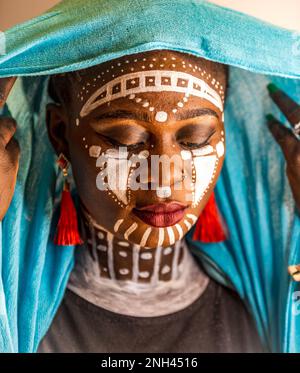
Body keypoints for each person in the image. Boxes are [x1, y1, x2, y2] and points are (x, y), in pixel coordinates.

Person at [0, 0, 299, 353]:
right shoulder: (15, 311)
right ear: (60, 133)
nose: (163, 180)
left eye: (195, 139)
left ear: (225, 136)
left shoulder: (276, 301)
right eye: (127, 140)